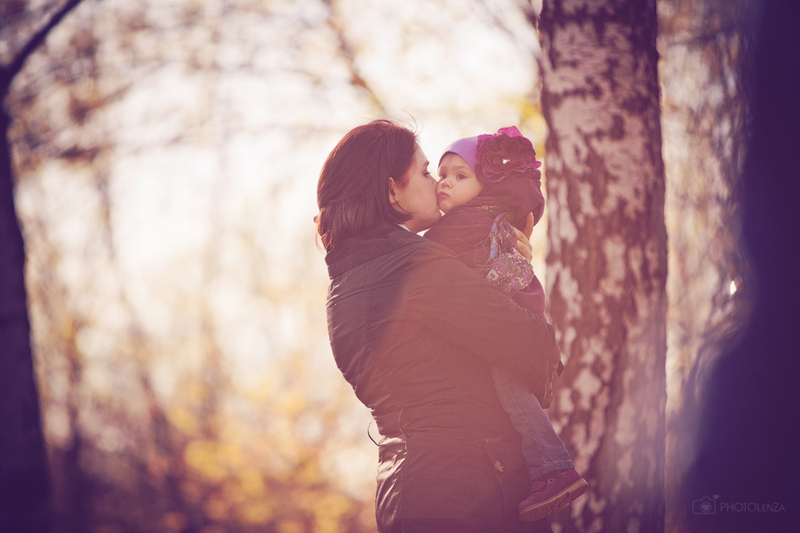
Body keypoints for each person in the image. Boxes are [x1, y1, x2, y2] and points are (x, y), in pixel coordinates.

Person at [317, 119, 562, 532]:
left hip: (404, 489)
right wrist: (513, 271)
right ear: (392, 190)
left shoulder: (344, 286)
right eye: (426, 171)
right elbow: (533, 347)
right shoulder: (416, 267)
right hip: (468, 491)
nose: (437, 183)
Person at [424, 126, 588, 522]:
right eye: (442, 174)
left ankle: (554, 469)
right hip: (507, 314)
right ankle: (540, 471)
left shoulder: (465, 223)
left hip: (509, 317)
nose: (445, 182)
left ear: (485, 188)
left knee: (511, 388)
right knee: (506, 392)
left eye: (460, 176)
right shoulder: (480, 221)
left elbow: (430, 263)